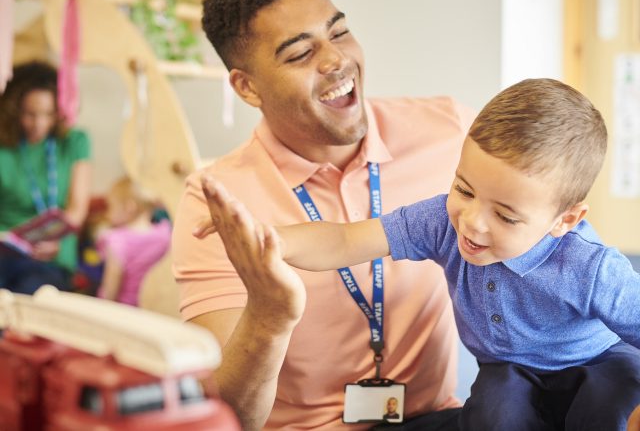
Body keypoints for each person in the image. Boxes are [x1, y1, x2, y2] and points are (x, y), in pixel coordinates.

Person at [202, 78, 640, 431]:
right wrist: (269, 239)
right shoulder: (441, 221)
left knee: (605, 413)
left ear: (564, 220)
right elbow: (344, 241)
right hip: (510, 367)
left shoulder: (591, 267)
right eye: (464, 189)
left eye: (505, 217)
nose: (472, 222)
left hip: (598, 362)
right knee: (493, 418)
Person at [172, 0, 474, 431]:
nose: (336, 60)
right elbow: (230, 415)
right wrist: (269, 317)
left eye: (338, 32)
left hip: (436, 418)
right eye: (300, 53)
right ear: (247, 87)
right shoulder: (218, 201)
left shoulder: (449, 130)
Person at [0, 61, 91, 294]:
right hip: (4, 250)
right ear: (14, 109)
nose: (39, 124)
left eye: (48, 114)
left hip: (52, 255)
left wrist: (54, 242)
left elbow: (77, 208)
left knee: (34, 294)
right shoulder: (5, 147)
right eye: (29, 114)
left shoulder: (75, 141)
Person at [96, 176, 171, 306]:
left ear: (129, 207)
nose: (107, 214)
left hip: (126, 312)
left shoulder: (116, 240)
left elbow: (110, 290)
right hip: (157, 309)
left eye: (111, 206)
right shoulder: (165, 234)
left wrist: (100, 307)